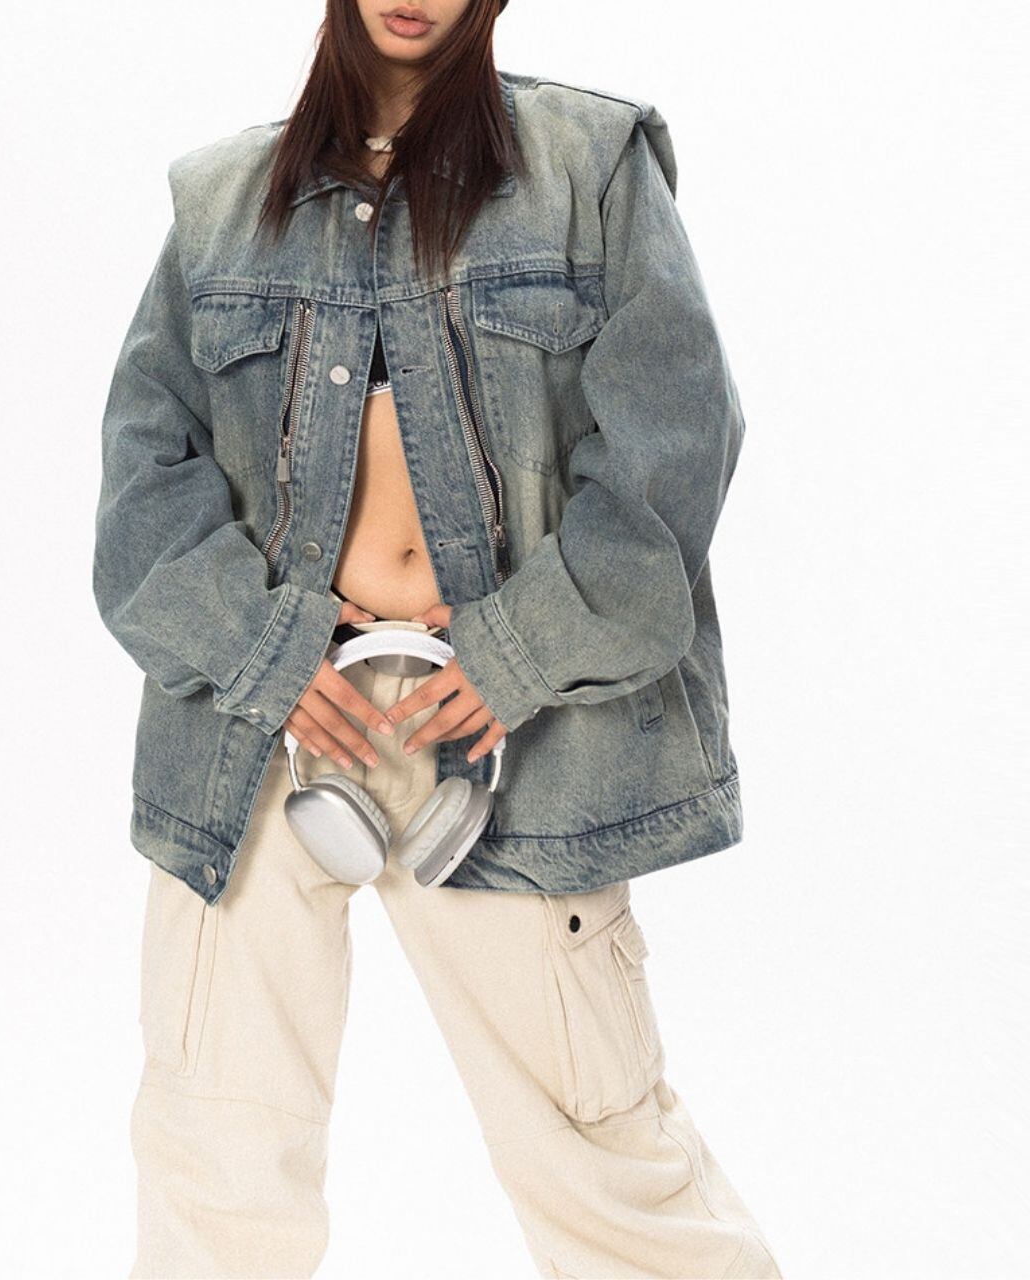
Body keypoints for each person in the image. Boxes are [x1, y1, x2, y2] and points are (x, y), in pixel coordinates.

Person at [92, 1, 783, 1275]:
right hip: (262, 732)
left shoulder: (587, 167)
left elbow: (672, 446)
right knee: (213, 1160)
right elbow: (144, 483)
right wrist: (263, 653)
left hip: (509, 731)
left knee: (601, 1153)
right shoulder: (219, 202)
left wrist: (521, 652)